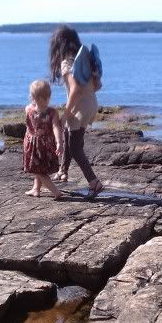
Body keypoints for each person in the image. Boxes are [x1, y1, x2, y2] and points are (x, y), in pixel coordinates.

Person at [49, 25, 104, 196]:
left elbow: (75, 89)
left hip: (79, 107)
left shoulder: (67, 62)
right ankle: (62, 171)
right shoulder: (85, 60)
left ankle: (94, 182)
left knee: (75, 148)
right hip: (91, 104)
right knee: (68, 136)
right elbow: (97, 85)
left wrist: (65, 114)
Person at [23, 80, 63, 199]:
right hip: (47, 144)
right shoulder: (52, 112)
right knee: (40, 168)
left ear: (32, 96)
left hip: (33, 145)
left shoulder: (28, 109)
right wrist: (59, 142)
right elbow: (56, 127)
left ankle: (55, 191)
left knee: (38, 171)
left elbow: (29, 127)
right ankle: (36, 189)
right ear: (49, 96)